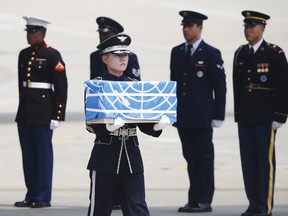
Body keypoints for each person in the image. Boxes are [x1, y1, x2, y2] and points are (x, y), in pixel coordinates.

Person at [85, 34, 170, 216]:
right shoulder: (95, 87)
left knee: (137, 208)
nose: (123, 58)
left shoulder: (134, 86)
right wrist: (107, 128)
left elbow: (142, 122)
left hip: (131, 156)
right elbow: (90, 123)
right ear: (105, 58)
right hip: (105, 157)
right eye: (117, 54)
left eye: (125, 54)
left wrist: (157, 125)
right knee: (99, 209)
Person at [170, 10, 226, 213]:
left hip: (203, 117)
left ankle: (204, 199)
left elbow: (220, 87)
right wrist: (171, 112)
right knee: (191, 159)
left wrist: (218, 115)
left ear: (200, 28)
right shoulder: (177, 52)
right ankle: (193, 199)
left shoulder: (211, 53)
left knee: (204, 158)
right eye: (184, 26)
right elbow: (173, 84)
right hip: (183, 117)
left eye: (190, 26)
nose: (186, 30)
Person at [233, 10, 288, 216]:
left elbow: (283, 86)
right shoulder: (240, 53)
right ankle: (253, 203)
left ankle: (264, 206)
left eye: (252, 26)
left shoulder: (274, 53)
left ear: (262, 29)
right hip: (246, 117)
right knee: (248, 162)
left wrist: (280, 116)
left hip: (266, 118)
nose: (248, 30)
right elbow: (238, 87)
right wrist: (238, 115)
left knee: (264, 164)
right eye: (246, 26)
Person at [14, 16, 68, 208]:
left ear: (43, 33)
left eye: (33, 32)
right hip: (26, 113)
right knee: (28, 155)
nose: (29, 35)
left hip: (44, 113)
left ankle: (43, 195)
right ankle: (31, 193)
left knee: (43, 155)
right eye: (28, 32)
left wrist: (58, 114)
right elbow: (22, 86)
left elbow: (61, 86)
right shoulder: (23, 54)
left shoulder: (52, 55)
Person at [90, 16, 141, 81]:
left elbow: (136, 84)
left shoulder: (131, 57)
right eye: (117, 55)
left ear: (115, 34)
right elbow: (94, 82)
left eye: (106, 34)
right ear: (105, 59)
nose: (102, 37)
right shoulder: (95, 56)